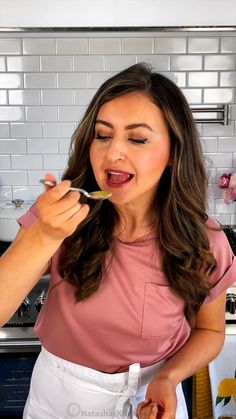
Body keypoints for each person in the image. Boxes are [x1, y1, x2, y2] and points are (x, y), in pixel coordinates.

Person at [0, 63, 235, 419]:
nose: (113, 154)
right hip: (58, 402)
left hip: (152, 402)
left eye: (137, 139)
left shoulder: (204, 240)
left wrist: (169, 377)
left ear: (173, 151)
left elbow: (210, 329)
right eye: (103, 135)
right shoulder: (59, 217)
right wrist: (44, 236)